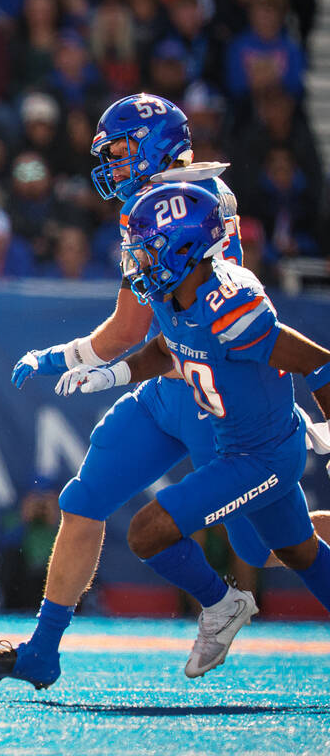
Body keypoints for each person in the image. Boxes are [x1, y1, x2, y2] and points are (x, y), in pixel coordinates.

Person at [0, 93, 330, 689]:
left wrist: (65, 356)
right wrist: (91, 364)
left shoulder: (184, 205)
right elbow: (145, 332)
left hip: (215, 402)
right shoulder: (161, 198)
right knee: (84, 499)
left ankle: (232, 589)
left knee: (268, 545)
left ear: (155, 146)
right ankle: (42, 649)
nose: (111, 162)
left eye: (122, 149)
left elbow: (130, 329)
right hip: (174, 383)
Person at [54, 182, 330, 673]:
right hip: (235, 449)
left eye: (147, 249)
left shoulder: (231, 305)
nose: (138, 260)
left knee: (147, 532)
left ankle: (222, 604)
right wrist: (110, 375)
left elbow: (318, 363)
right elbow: (165, 350)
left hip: (262, 457)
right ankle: (225, 605)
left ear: (182, 248)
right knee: (299, 552)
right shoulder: (171, 293)